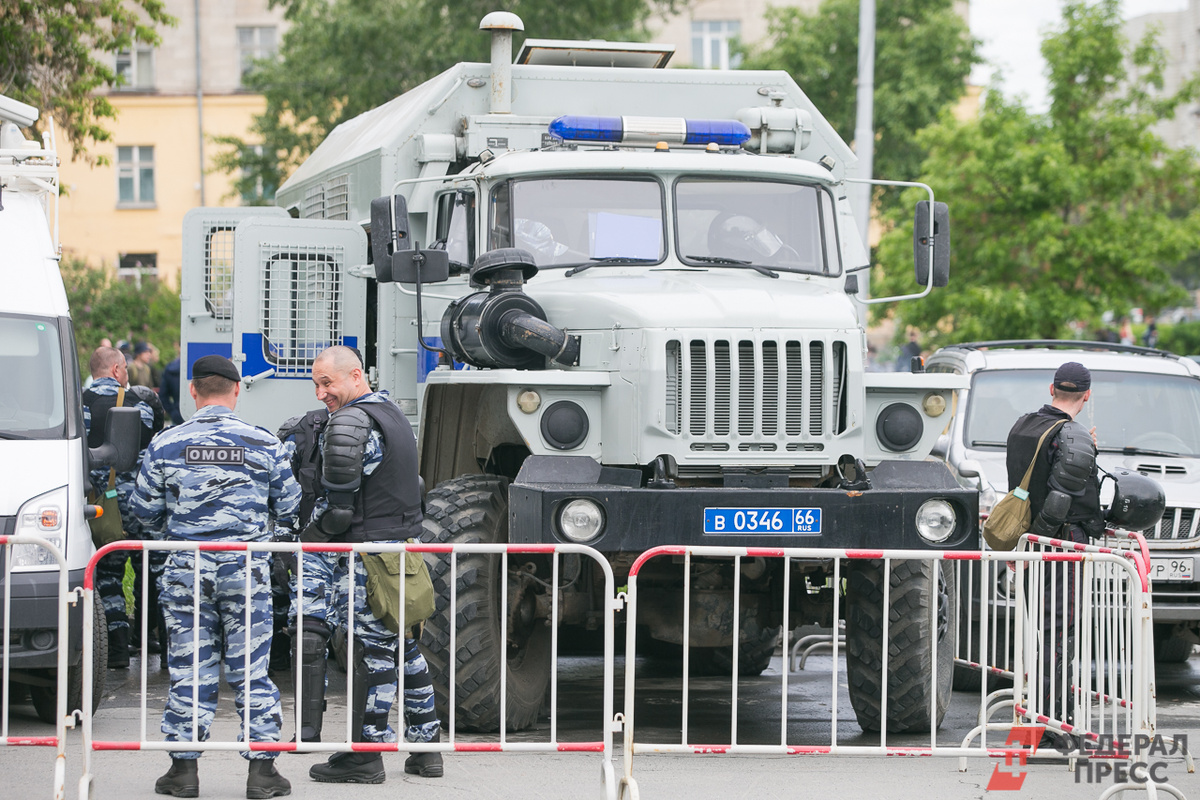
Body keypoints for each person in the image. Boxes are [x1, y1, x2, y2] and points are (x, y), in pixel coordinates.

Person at [130, 355, 300, 799]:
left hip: (187, 571)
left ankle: (183, 772)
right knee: (252, 670)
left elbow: (142, 513)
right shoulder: (263, 443)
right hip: (245, 572)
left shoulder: (168, 443)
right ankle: (263, 773)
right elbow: (289, 508)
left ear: (193, 390)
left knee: (189, 668)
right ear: (237, 389)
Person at [288, 345, 442, 784]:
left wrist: (302, 543)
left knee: (372, 654)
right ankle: (427, 748)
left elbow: (338, 510)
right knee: (403, 648)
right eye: (316, 383)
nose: (321, 393)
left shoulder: (356, 422)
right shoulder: (391, 414)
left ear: (355, 376)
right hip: (398, 555)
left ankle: (367, 753)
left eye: (327, 382)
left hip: (368, 561)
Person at [1004, 361, 1102, 742]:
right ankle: (1052, 726)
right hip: (1060, 545)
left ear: (1051, 389)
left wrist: (1023, 546)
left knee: (1044, 634)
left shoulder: (1024, 425)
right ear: (1087, 395)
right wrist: (1041, 541)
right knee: (1061, 635)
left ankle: (1041, 719)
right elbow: (1060, 500)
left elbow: (1035, 477)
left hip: (1030, 543)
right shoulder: (1072, 435)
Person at [82, 346, 160, 669]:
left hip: (103, 505)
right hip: (142, 503)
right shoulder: (140, 405)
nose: (127, 374)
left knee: (110, 574)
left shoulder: (78, 405)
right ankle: (147, 636)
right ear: (116, 370)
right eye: (125, 368)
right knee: (149, 570)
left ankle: (115, 647)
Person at [160, 355, 184, 425]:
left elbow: (163, 394)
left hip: (177, 414)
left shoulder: (170, 368)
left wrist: (172, 411)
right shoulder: (203, 366)